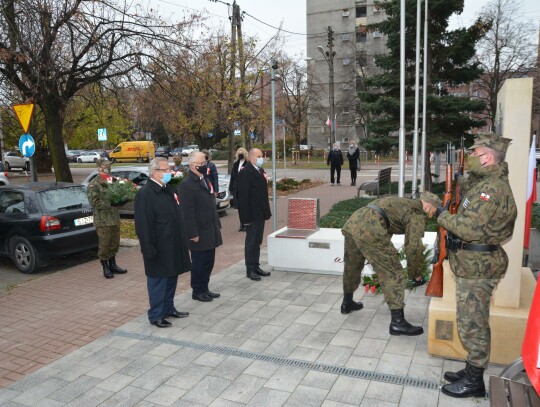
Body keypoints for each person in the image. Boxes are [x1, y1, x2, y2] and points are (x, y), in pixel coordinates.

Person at [436, 133, 517, 398]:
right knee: (471, 319)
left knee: (473, 324)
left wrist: (442, 216)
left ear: (487, 157)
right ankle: (471, 369)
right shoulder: (487, 182)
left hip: (478, 267)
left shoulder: (491, 190)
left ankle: (474, 381)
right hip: (473, 264)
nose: (469, 158)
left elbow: (469, 228)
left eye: (473, 153)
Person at [340, 192, 442, 336]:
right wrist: (416, 275)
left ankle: (347, 303)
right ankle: (398, 323)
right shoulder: (417, 213)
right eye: (434, 209)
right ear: (427, 205)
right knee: (393, 272)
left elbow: (384, 214)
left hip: (354, 222)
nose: (434, 213)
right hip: (370, 228)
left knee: (352, 265)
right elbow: (413, 247)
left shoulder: (402, 202)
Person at [134, 157, 191, 328]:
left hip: (173, 243)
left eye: (169, 169)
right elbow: (143, 225)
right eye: (165, 170)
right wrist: (148, 249)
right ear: (154, 172)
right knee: (158, 281)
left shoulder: (167, 189)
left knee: (171, 278)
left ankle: (168, 308)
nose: (169, 173)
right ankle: (156, 315)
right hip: (158, 247)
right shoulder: (145, 194)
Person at [178, 152, 223, 302]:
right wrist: (192, 233)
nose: (205, 166)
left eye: (205, 163)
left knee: (209, 262)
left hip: (210, 228)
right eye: (202, 163)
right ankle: (197, 290)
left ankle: (205, 288)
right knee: (199, 263)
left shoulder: (205, 179)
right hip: (199, 231)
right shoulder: (186, 185)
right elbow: (187, 212)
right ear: (192, 165)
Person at [87, 158, 127, 279]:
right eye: (105, 166)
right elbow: (94, 202)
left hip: (114, 218)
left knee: (114, 242)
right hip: (103, 220)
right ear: (99, 168)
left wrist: (121, 200)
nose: (108, 168)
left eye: (109, 166)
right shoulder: (94, 184)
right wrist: (110, 204)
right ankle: (105, 266)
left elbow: (118, 196)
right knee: (104, 244)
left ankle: (113, 265)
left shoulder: (112, 181)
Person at [235, 148, 272, 281]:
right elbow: (243, 198)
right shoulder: (246, 173)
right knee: (251, 242)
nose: (262, 158)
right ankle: (250, 269)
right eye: (259, 156)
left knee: (257, 241)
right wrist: (244, 219)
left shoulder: (259, 170)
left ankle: (256, 266)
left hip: (260, 212)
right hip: (251, 214)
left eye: (262, 155)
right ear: (251, 158)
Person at [229, 147, 249, 232]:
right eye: (239, 153)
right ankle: (241, 224)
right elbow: (232, 177)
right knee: (240, 208)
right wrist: (231, 188)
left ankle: (246, 224)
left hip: (244, 189)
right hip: (237, 189)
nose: (240, 154)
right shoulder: (236, 164)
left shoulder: (248, 164)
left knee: (245, 207)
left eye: (242, 153)